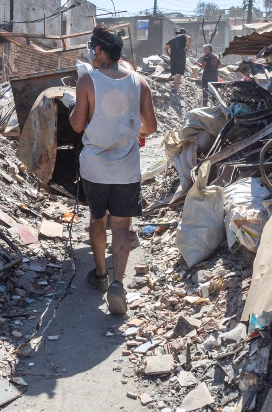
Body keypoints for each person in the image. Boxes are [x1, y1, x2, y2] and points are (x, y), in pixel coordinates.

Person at [69, 25, 158, 314]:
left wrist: (74, 108)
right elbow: (151, 127)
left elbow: (77, 125)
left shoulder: (87, 81)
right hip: (126, 170)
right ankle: (119, 283)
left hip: (95, 170)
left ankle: (101, 276)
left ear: (98, 50)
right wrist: (132, 133)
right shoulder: (140, 82)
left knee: (98, 220)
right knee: (121, 225)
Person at [166, 28, 191, 94]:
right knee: (178, 73)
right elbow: (189, 38)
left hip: (173, 57)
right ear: (183, 32)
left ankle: (173, 86)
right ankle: (175, 89)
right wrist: (187, 47)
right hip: (180, 56)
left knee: (174, 73)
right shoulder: (183, 36)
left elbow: (165, 49)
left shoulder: (172, 39)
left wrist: (169, 55)